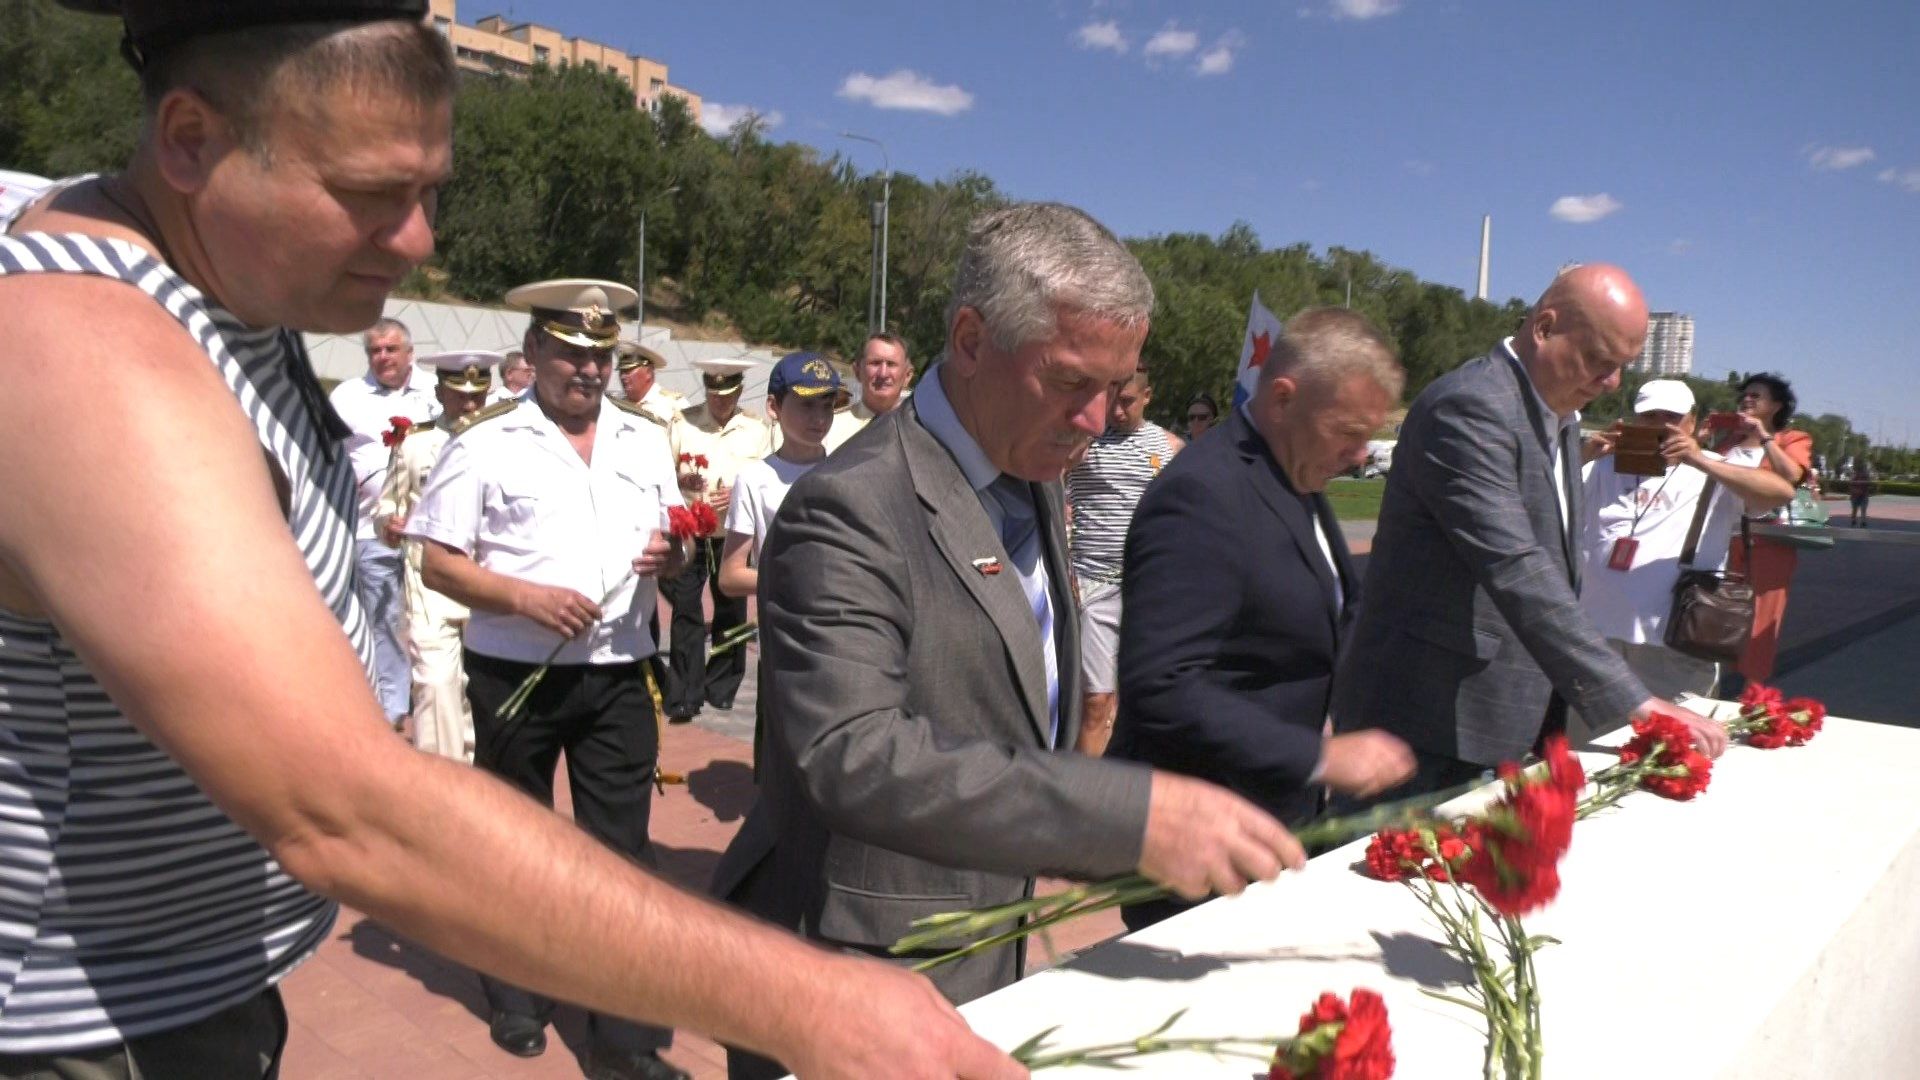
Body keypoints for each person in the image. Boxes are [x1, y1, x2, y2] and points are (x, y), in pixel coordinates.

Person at [0, 7, 1021, 1078]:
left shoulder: (215, 275)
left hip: (176, 982)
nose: (418, 240)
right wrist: (808, 997)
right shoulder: (88, 346)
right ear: (192, 141)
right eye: (369, 195)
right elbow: (347, 812)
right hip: (85, 1022)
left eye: (431, 191)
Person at [711, 202, 1309, 1080]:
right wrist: (1124, 816)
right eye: (1073, 384)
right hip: (853, 962)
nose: (1102, 419)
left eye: (1118, 387)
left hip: (976, 940)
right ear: (970, 340)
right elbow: (852, 752)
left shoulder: (1027, 469)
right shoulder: (853, 504)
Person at [409, 280, 695, 1078]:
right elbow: (437, 562)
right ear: (533, 353)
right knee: (519, 842)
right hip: (514, 674)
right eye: (571, 354)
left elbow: (676, 537)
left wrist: (674, 556)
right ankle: (518, 989)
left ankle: (622, 1028)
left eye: (600, 356)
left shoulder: (643, 441)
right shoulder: (486, 444)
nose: (589, 371)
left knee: (619, 854)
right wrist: (522, 597)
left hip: (615, 674)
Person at [1332, 264, 1726, 804]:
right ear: (1544, 328)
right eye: (1598, 360)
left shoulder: (1556, 414)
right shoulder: (1471, 406)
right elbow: (1516, 564)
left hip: (1499, 713)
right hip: (1426, 721)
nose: (1611, 383)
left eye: (1622, 367)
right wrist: (1637, 701)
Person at [1107, 308, 1415, 929]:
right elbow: (1161, 684)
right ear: (1282, 398)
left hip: (1272, 823)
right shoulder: (1205, 493)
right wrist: (1318, 757)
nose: (1360, 456)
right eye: (1349, 432)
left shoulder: (1293, 472)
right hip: (1200, 843)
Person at [1574, 380, 1793, 720]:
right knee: (1585, 750)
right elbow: (1539, 500)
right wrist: (1582, 454)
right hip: (1597, 637)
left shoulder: (1712, 467)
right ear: (1634, 419)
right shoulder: (1604, 464)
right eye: (1650, 416)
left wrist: (1698, 459)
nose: (1661, 425)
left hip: (1674, 641)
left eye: (1672, 416)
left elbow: (1780, 492)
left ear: (1692, 421)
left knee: (1672, 750)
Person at [718, 352, 846, 774]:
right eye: (807, 404)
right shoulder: (755, 479)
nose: (819, 417)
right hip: (785, 644)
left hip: (845, 641)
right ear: (773, 407)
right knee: (780, 768)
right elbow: (731, 575)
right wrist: (792, 579)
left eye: (827, 405)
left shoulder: (851, 473)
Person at [372, 349, 500, 761]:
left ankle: (484, 772)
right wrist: (390, 526)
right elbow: (386, 507)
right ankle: (442, 777)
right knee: (435, 682)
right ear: (440, 391)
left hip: (489, 582)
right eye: (459, 395)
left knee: (485, 687)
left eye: (477, 396)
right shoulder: (415, 444)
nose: (469, 405)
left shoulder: (506, 443)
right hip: (429, 584)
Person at [1063, 364, 1183, 756]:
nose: (1117, 411)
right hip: (1093, 585)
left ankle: (1131, 790)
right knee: (1096, 702)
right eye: (1113, 399)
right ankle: (1083, 802)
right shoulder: (1083, 440)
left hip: (1149, 590)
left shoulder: (1169, 448)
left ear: (1147, 397)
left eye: (1127, 401)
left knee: (1144, 702)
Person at [329, 315, 436, 732]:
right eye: (375, 350)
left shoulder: (435, 392)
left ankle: (435, 704)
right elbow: (329, 455)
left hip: (432, 531)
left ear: (410, 353)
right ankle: (391, 710)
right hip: (374, 530)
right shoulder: (348, 397)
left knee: (433, 621)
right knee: (386, 620)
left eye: (391, 349)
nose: (383, 357)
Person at [663, 357, 773, 723]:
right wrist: (682, 484)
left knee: (732, 611)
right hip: (693, 531)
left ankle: (722, 685)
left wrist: (741, 492)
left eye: (727, 396)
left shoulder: (756, 429)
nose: (720, 402)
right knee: (685, 610)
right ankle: (684, 692)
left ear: (739, 392)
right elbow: (664, 472)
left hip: (734, 534)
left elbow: (766, 475)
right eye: (714, 394)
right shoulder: (684, 422)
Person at [1720, 373, 1814, 686]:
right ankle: (1709, 691)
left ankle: (1754, 698)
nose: (1747, 400)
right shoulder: (1728, 442)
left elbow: (1794, 476)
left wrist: (1765, 438)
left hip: (1769, 543)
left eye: (1756, 396)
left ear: (1775, 406)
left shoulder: (1792, 440)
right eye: (1744, 395)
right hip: (1723, 540)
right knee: (1714, 613)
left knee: (1762, 619)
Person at [824, 330, 914, 453]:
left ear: (907, 375)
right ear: (857, 371)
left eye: (891, 364)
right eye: (875, 363)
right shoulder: (829, 428)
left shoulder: (920, 431)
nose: (883, 373)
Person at [616, 338, 686, 429]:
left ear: (648, 372)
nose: (623, 376)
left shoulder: (673, 406)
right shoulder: (615, 405)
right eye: (621, 371)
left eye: (628, 371)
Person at [1850, 460, 1873, 527]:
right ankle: (1853, 520)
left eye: (1864, 468)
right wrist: (1853, 491)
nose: (1864, 469)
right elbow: (1851, 484)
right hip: (1855, 495)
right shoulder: (1855, 475)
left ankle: (1863, 521)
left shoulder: (1866, 476)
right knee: (1855, 509)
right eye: (1863, 468)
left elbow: (1869, 484)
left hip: (1863, 495)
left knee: (1863, 509)